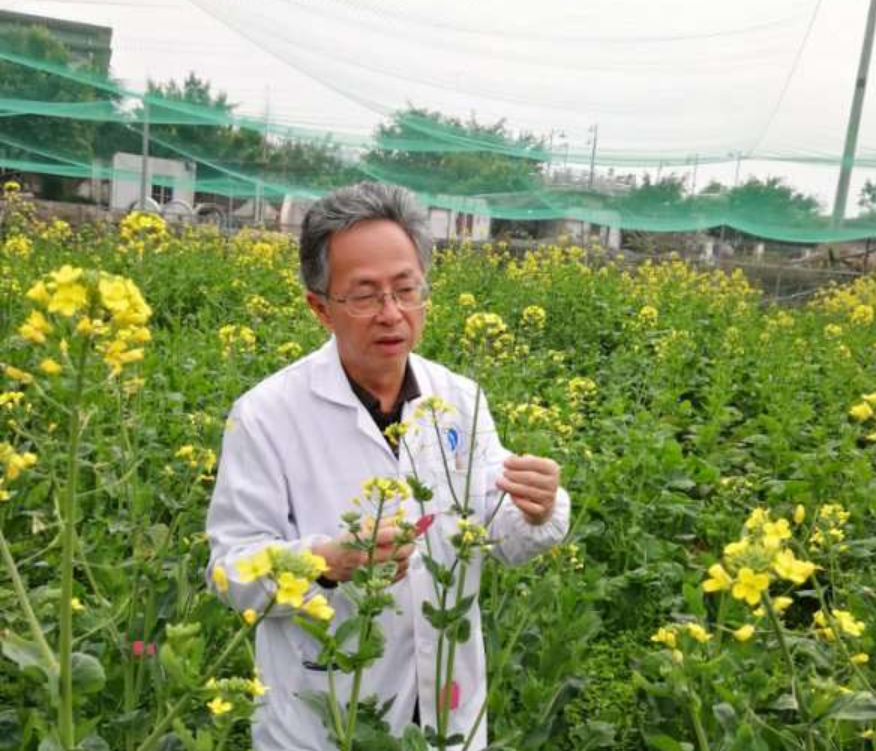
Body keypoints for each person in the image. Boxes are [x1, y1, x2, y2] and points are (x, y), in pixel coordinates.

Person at [206, 182, 570, 751]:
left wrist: (536, 509)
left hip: (447, 714)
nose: (392, 314)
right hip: (322, 723)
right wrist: (325, 563)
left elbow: (500, 535)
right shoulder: (265, 416)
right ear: (320, 307)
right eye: (365, 296)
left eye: (406, 290)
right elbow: (229, 572)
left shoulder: (459, 398)